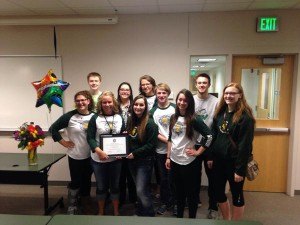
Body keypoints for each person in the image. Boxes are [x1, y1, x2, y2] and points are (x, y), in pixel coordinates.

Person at [209, 83, 255, 220]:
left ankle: (236, 223)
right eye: (226, 93)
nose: (229, 96)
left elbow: (245, 145)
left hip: (235, 163)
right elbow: (214, 136)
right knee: (218, 193)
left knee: (237, 195)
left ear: (240, 95)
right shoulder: (220, 113)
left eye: (232, 93)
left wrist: (240, 170)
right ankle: (226, 220)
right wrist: (210, 156)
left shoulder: (245, 117)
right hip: (218, 161)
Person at [165, 89, 212, 219]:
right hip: (174, 161)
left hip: (189, 162)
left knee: (191, 194)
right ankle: (179, 219)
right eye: (180, 99)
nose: (182, 102)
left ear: (190, 102)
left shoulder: (194, 119)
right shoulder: (173, 118)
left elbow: (209, 136)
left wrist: (198, 152)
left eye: (185, 100)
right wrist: (168, 157)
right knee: (178, 194)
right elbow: (170, 138)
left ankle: (192, 220)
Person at [49, 90, 95, 215]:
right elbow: (52, 129)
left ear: (88, 101)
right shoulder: (69, 116)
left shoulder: (94, 116)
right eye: (78, 100)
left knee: (87, 180)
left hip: (91, 156)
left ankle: (85, 201)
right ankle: (72, 203)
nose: (80, 103)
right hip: (76, 155)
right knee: (76, 181)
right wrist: (63, 142)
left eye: (83, 100)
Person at [86, 91, 124, 216]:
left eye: (109, 102)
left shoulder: (119, 117)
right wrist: (99, 151)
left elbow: (123, 134)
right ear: (100, 104)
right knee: (101, 187)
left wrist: (122, 151)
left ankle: (116, 211)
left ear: (114, 103)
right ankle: (101, 211)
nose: (107, 104)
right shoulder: (95, 118)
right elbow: (90, 138)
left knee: (115, 186)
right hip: (98, 159)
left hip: (115, 160)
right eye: (104, 102)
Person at [126, 95, 158, 217]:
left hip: (144, 161)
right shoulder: (131, 121)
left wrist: (135, 153)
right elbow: (129, 139)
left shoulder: (150, 124)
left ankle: (149, 215)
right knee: (139, 189)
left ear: (146, 107)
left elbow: (151, 145)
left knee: (141, 190)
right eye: (136, 104)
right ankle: (140, 212)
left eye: (141, 105)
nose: (138, 107)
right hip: (132, 161)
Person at [193, 73, 219, 219]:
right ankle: (195, 200)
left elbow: (216, 127)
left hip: (210, 145)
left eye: (205, 83)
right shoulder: (191, 100)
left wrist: (211, 152)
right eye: (199, 82)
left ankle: (213, 206)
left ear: (209, 85)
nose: (202, 85)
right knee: (194, 176)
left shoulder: (216, 101)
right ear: (196, 84)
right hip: (194, 144)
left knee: (212, 177)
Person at [149, 83, 176, 215]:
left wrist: (173, 142)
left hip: (176, 151)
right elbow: (154, 132)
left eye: (164, 93)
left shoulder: (175, 108)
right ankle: (165, 202)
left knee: (175, 178)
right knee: (164, 179)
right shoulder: (153, 112)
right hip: (161, 151)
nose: (161, 95)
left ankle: (175, 203)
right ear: (156, 94)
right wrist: (168, 141)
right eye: (159, 93)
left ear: (168, 94)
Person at [116, 82, 137, 206]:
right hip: (117, 144)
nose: (124, 91)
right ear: (118, 91)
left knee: (131, 174)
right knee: (120, 174)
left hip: (132, 144)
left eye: (127, 90)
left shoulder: (135, 105)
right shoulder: (114, 106)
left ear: (130, 92)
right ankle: (121, 198)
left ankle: (133, 199)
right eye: (122, 89)